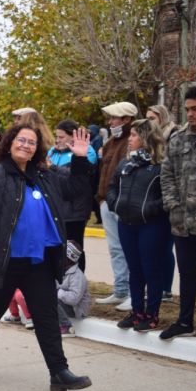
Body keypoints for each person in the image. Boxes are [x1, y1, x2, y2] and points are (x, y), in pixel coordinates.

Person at [0, 122, 93, 391]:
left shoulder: (46, 176)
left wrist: (80, 158)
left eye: (31, 142)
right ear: (9, 144)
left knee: (46, 317)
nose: (26, 145)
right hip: (5, 261)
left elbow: (76, 189)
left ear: (37, 149)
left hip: (39, 262)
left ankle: (58, 372)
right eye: (21, 140)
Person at [106, 119, 171, 332]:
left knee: (151, 270)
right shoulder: (126, 164)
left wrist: (147, 209)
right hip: (126, 224)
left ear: (145, 137)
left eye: (133, 135)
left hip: (151, 225)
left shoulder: (161, 165)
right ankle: (136, 312)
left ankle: (152, 315)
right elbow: (112, 186)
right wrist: (115, 204)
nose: (129, 139)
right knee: (135, 270)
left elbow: (168, 196)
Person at [160, 86, 196, 340]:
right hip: (183, 222)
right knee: (186, 275)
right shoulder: (177, 138)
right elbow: (167, 175)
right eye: (187, 110)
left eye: (195, 109)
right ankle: (185, 322)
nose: (190, 114)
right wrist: (173, 205)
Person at [95, 101, 138, 311]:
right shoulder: (111, 142)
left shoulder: (133, 141)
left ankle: (133, 292)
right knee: (115, 249)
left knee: (129, 249)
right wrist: (102, 199)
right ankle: (120, 289)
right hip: (106, 201)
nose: (111, 122)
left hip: (123, 204)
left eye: (114, 118)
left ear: (127, 119)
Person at [49, 119, 97, 271]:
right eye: (56, 136)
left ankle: (78, 283)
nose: (58, 140)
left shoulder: (86, 151)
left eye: (62, 137)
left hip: (75, 210)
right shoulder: (53, 151)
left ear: (72, 136)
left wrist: (52, 168)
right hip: (56, 207)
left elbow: (76, 178)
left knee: (74, 251)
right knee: (56, 249)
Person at [145, 104, 178, 300]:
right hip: (153, 199)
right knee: (155, 248)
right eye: (147, 118)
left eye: (153, 118)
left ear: (162, 118)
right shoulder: (150, 140)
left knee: (165, 247)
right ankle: (156, 286)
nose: (150, 122)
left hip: (168, 199)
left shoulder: (172, 135)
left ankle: (166, 288)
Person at [56, 241, 91, 338]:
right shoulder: (59, 270)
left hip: (76, 309)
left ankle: (67, 327)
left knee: (51, 299)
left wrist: (57, 292)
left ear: (68, 259)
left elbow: (74, 299)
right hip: (63, 303)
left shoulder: (77, 276)